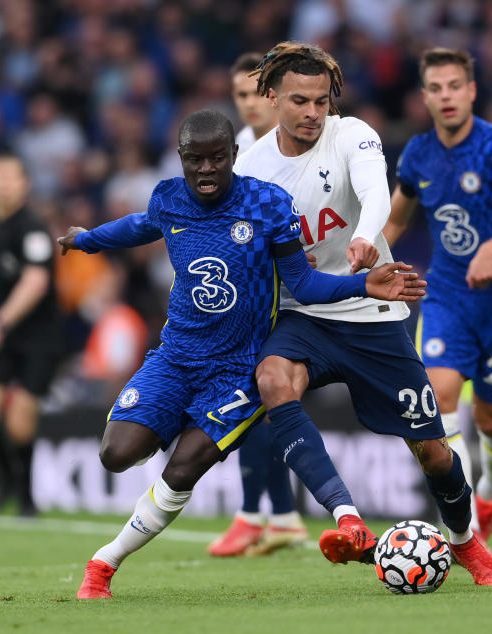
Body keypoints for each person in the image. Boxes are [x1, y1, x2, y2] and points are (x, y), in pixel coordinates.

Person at [64, 109, 426, 599]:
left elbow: (302, 283)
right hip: (175, 358)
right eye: (196, 160)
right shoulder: (168, 198)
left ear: (234, 156)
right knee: (116, 454)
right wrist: (86, 240)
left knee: (182, 468)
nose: (207, 169)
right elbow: (139, 226)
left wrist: (364, 284)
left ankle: (104, 563)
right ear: (181, 159)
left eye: (217, 158)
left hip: (238, 371)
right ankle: (170, 442)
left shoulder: (268, 205)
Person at [235, 41, 492, 585]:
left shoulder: (353, 133)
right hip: (303, 314)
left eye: (321, 100)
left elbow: (376, 194)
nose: (313, 112)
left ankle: (465, 544)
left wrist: (365, 238)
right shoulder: (252, 167)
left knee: (432, 452)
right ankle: (348, 519)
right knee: (273, 380)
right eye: (299, 101)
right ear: (271, 98)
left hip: (372, 310)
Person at [384, 47, 492, 543]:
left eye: (455, 85)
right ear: (425, 97)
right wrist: (365, 257)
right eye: (436, 88)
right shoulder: (418, 154)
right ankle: (467, 529)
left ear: (471, 90)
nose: (446, 96)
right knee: (439, 400)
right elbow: (395, 219)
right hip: (448, 295)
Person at [207, 52, 306, 558]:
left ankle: (258, 514)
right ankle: (279, 515)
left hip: (295, 299)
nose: (248, 104)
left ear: (273, 96)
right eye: (239, 95)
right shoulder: (240, 151)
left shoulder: (295, 150)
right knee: (259, 405)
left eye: (254, 94)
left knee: (261, 403)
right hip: (256, 298)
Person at [0, 154, 64, 516]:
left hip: (37, 335)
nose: (5, 183)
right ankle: (6, 474)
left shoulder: (32, 228)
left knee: (21, 420)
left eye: (12, 177)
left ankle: (25, 497)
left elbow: (36, 282)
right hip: (5, 334)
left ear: (26, 184)